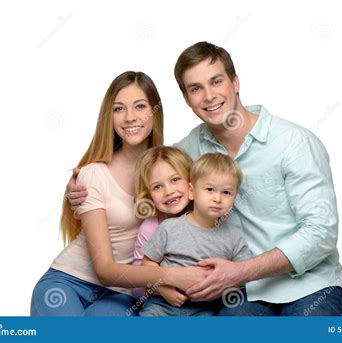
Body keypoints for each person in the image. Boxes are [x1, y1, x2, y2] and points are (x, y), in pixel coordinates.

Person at [67, 42, 342, 316]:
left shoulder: (294, 143)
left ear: (235, 82)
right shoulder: (189, 149)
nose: (209, 96)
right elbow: (149, 173)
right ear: (186, 98)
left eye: (216, 82)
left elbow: (320, 232)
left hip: (308, 287)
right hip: (243, 294)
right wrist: (86, 184)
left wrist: (241, 271)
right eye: (196, 89)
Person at [31, 71, 209, 316]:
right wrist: (174, 276)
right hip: (69, 281)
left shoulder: (172, 167)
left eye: (140, 106)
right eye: (118, 109)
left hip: (124, 294)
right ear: (109, 117)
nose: (129, 117)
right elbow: (104, 269)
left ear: (154, 112)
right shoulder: (93, 174)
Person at [139, 153, 252, 316]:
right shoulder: (169, 228)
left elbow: (241, 275)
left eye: (226, 192)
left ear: (234, 197)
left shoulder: (235, 237)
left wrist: (222, 288)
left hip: (204, 309)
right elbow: (148, 264)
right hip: (162, 304)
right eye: (210, 189)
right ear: (191, 191)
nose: (217, 198)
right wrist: (163, 289)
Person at [131, 146, 193, 302]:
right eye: (157, 186)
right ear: (149, 196)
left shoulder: (209, 217)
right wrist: (161, 290)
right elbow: (136, 286)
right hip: (161, 305)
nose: (168, 191)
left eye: (175, 179)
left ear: (191, 181)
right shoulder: (150, 228)